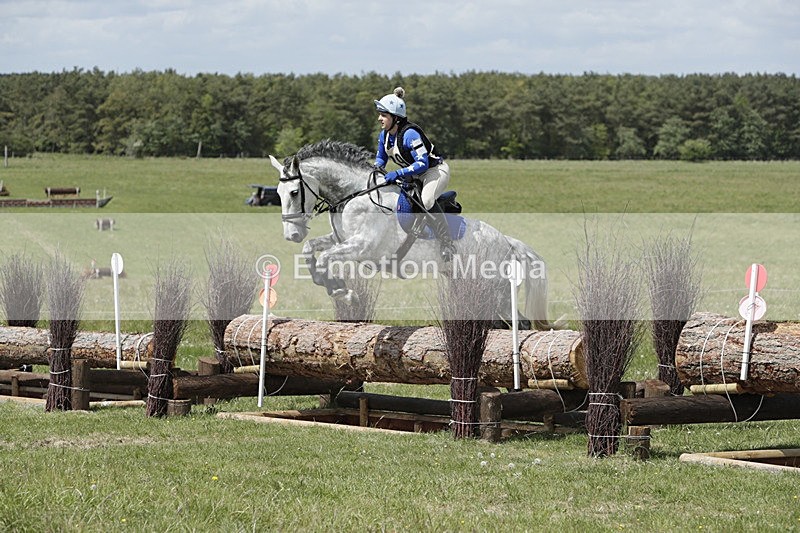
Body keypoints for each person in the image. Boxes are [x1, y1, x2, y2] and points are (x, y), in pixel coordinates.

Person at [373, 87, 456, 261]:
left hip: (434, 172)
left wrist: (398, 173)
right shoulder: (385, 135)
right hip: (412, 176)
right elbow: (381, 158)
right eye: (380, 114)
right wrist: (375, 170)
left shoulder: (410, 134)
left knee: (426, 201)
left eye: (384, 115)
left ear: (395, 118)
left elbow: (422, 163)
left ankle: (447, 243)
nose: (380, 118)